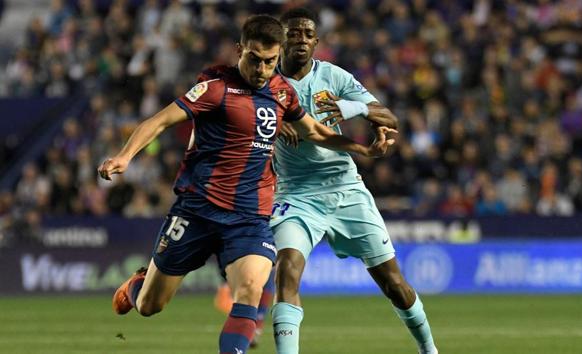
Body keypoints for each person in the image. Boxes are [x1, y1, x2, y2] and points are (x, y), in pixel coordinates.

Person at [98, 15, 395, 354]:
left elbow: (313, 131)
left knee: (251, 292)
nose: (262, 69)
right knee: (151, 305)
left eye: (270, 61)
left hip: (249, 218)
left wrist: (362, 149)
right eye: (254, 59)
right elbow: (160, 120)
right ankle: (138, 285)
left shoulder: (283, 93)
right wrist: (125, 156)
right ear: (240, 50)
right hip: (197, 210)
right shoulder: (215, 87)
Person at [270, 8, 438, 354]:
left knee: (394, 284)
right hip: (295, 195)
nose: (300, 39)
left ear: (316, 41)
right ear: (281, 39)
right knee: (287, 269)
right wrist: (271, 121)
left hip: (346, 190)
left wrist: (355, 108)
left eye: (307, 34)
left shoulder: (333, 77)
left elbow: (388, 116)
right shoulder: (264, 81)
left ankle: (429, 350)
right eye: (293, 33)